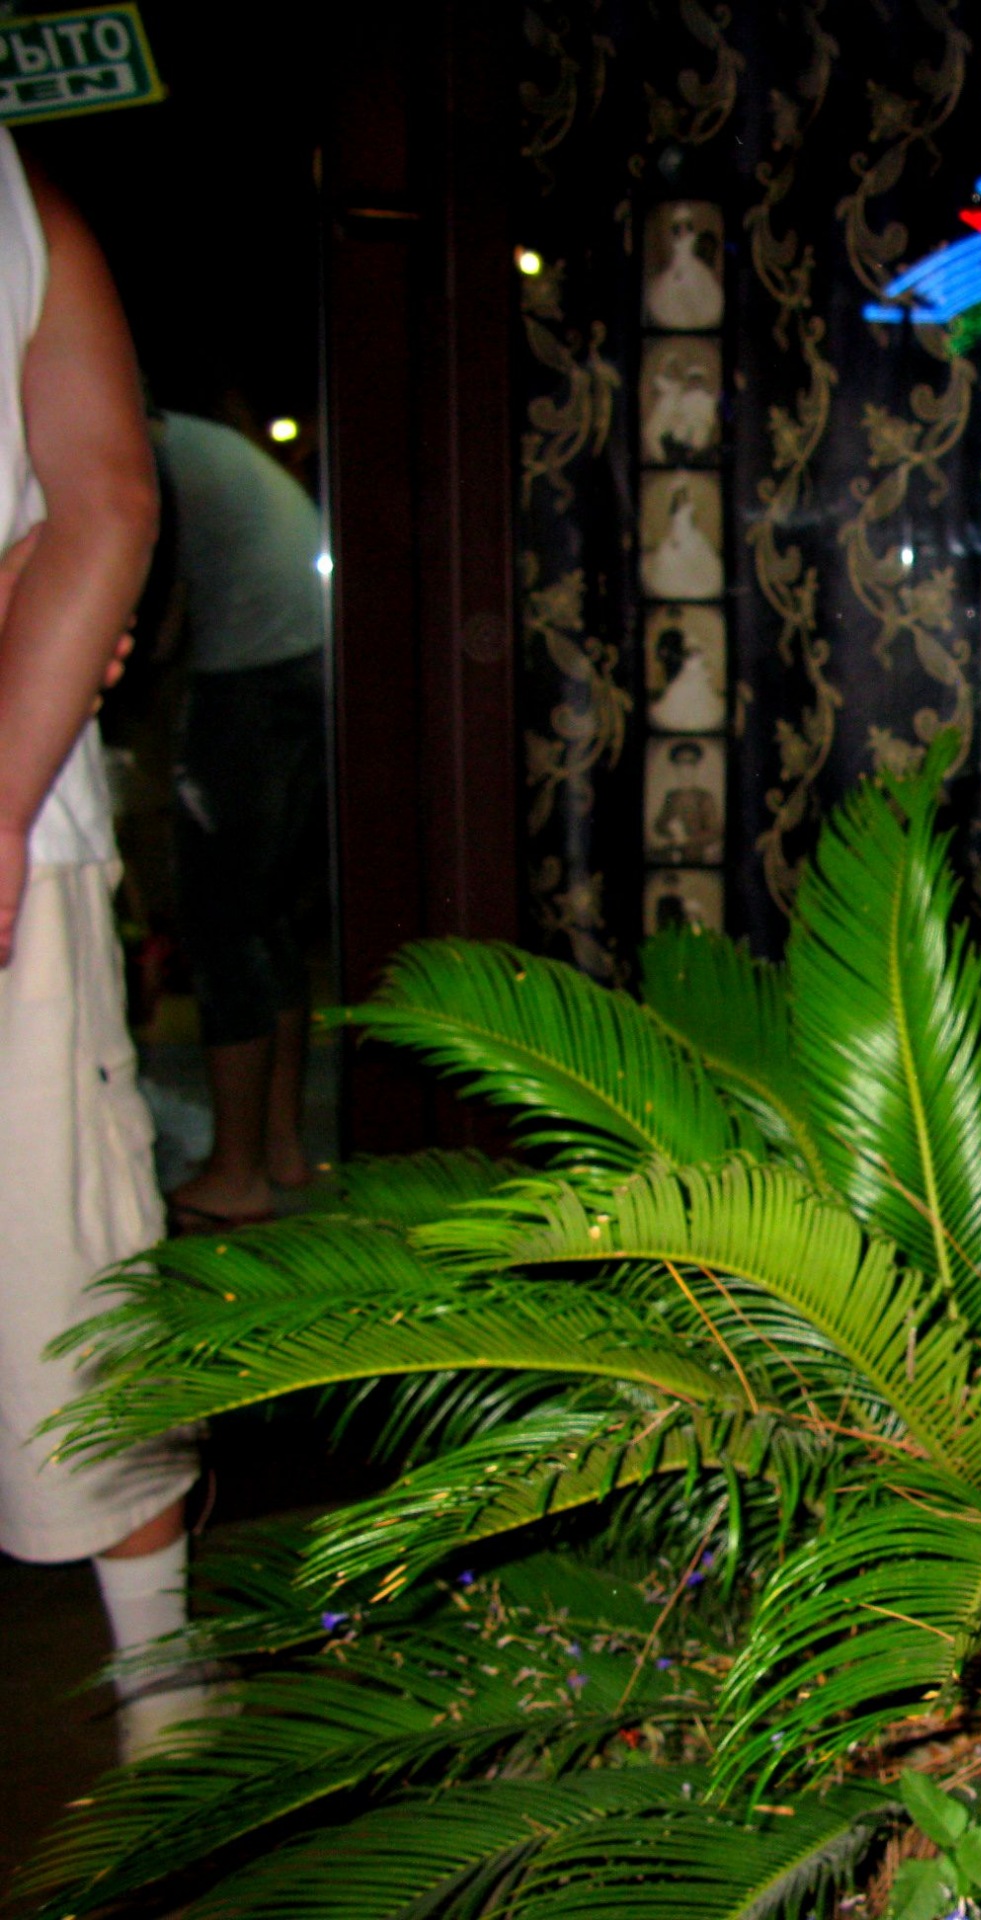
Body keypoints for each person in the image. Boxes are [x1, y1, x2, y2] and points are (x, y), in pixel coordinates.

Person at [0, 130, 203, 1759]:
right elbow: (106, 501)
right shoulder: (22, 203)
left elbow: (107, 516)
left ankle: (170, 1695)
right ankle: (167, 1694)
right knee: (67, 1275)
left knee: (71, 1280)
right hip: (24, 820)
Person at [153, 409, 329, 1233]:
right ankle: (279, 1148)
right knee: (263, 916)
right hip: (305, 663)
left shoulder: (145, 454)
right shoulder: (199, 445)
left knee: (220, 924)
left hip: (252, 679)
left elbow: (152, 620)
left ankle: (236, 1171)